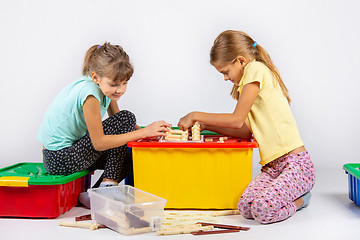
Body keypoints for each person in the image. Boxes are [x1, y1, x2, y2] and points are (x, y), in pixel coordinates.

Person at [177, 30, 315, 224]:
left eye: (225, 72)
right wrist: (206, 124)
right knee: (245, 207)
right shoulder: (247, 82)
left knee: (262, 210)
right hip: (273, 167)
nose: (225, 78)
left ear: (240, 61)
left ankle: (301, 200)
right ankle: (291, 196)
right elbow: (245, 130)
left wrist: (195, 114)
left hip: (296, 165)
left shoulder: (256, 69)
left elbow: (236, 119)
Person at [37, 42, 171, 189]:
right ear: (95, 77)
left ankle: (94, 193)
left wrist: (146, 136)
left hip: (69, 154)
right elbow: (99, 142)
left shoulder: (103, 89)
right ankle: (108, 186)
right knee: (127, 117)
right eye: (114, 84)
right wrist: (143, 131)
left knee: (133, 158)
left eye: (125, 83)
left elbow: (121, 126)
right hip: (59, 159)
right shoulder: (90, 94)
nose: (120, 90)